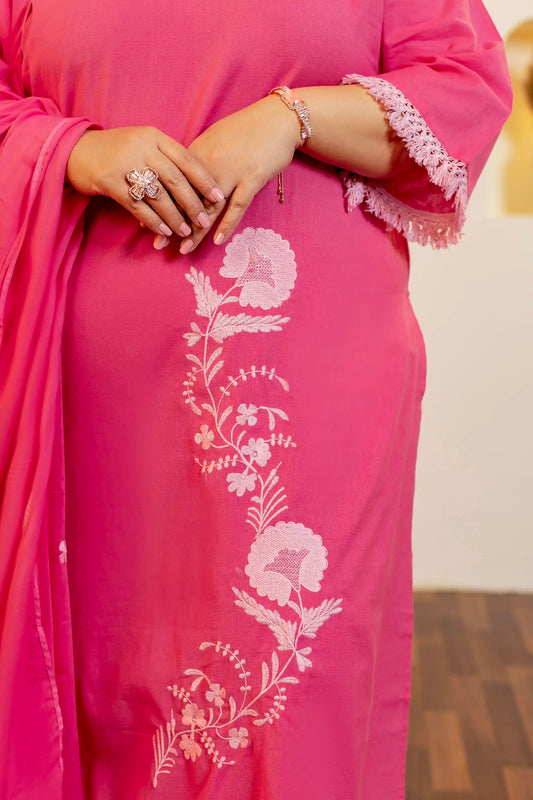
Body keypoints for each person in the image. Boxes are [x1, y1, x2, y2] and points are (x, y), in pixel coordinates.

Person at [0, 1, 511, 798]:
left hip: (303, 384)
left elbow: (462, 88)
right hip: (80, 393)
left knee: (289, 681)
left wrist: (292, 118)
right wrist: (79, 151)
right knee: (104, 676)